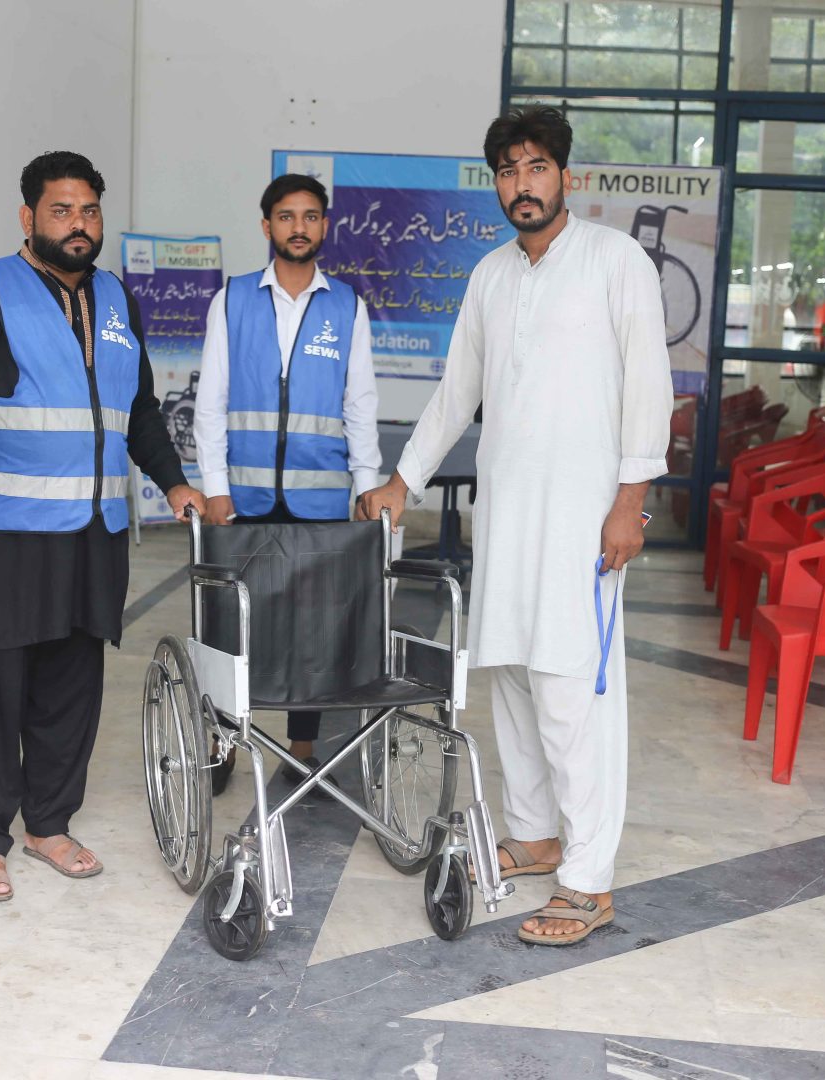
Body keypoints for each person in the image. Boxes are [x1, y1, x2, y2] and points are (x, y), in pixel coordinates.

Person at [358, 106, 672, 945]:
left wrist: (631, 502)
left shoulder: (615, 261)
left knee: (573, 692)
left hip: (584, 520)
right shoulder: (492, 275)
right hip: (507, 517)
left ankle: (588, 881)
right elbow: (456, 391)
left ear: (566, 176)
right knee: (513, 678)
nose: (521, 184)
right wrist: (403, 480)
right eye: (508, 171)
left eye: (535, 167)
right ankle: (534, 834)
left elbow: (649, 384)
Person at [0, 151, 204, 902]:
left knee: (72, 686)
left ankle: (49, 823)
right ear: (29, 217)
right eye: (62, 210)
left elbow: (137, 410)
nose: (79, 225)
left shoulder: (115, 299)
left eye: (89, 211)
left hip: (94, 532)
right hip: (6, 533)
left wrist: (175, 481)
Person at [193, 173, 380, 794]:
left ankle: (302, 747)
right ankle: (222, 736)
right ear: (266, 224)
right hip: (242, 499)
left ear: (325, 225)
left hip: (320, 501)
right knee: (230, 624)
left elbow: (360, 404)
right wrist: (214, 484)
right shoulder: (232, 300)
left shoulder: (347, 306)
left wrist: (366, 484)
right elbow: (211, 401)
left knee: (311, 631)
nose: (298, 227)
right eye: (286, 216)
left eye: (310, 216)